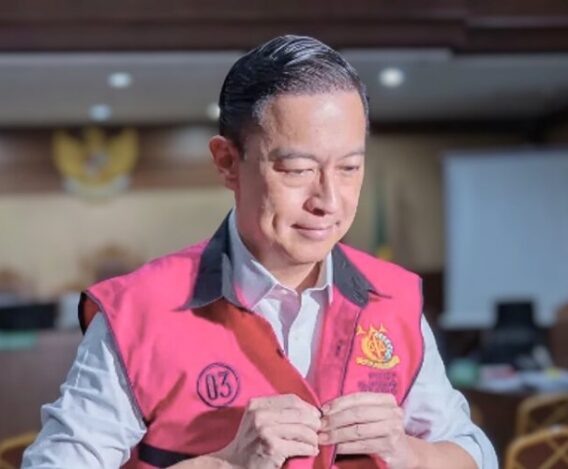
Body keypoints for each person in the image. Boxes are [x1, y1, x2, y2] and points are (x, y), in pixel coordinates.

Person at [22, 35, 497, 469]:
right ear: (228, 162)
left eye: (350, 168)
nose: (329, 201)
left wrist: (407, 453)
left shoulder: (393, 298)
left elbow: (473, 453)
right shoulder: (138, 312)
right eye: (297, 169)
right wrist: (224, 464)